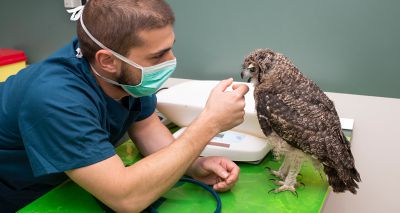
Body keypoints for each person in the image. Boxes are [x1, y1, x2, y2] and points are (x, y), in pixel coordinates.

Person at [0, 0, 249, 212]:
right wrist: (210, 122)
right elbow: (126, 198)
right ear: (107, 60)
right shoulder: (55, 99)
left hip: (65, 181)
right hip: (21, 194)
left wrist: (193, 164)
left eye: (170, 48)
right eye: (157, 56)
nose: (171, 62)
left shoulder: (124, 76)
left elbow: (146, 128)